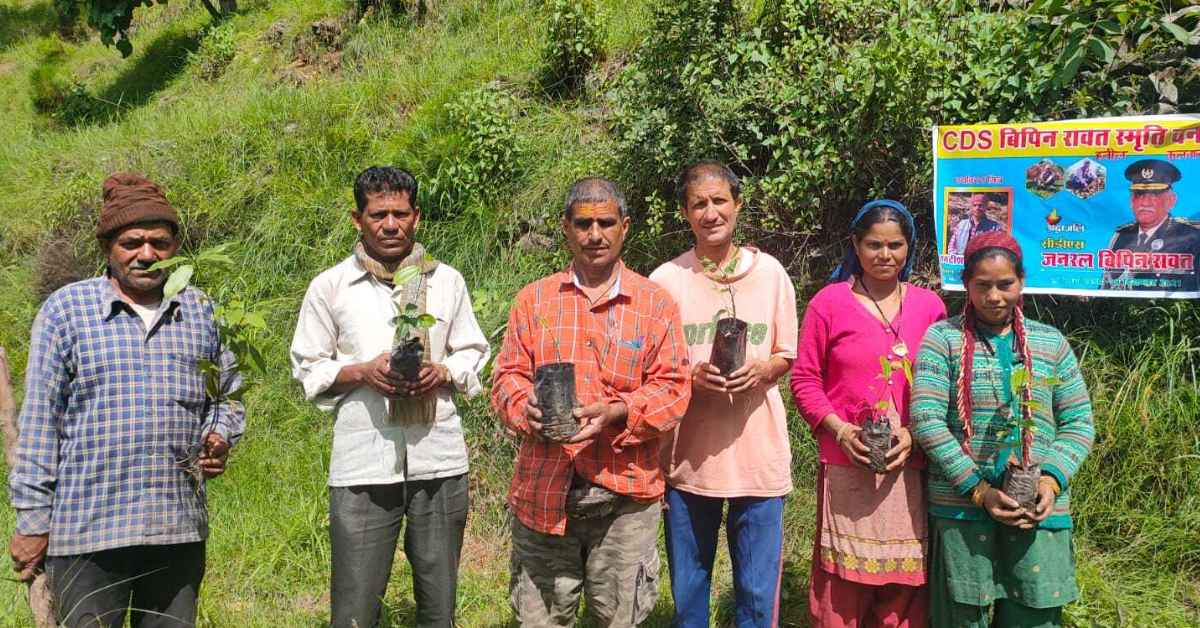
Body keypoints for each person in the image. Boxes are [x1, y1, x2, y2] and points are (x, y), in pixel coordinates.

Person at [8, 172, 245, 628]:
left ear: (176, 246)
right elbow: (40, 424)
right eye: (132, 242)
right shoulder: (66, 311)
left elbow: (227, 396)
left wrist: (218, 434)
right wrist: (33, 520)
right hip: (87, 531)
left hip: (176, 526)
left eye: (160, 241)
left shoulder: (201, 310)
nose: (147, 254)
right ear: (107, 248)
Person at [290, 166, 490, 628]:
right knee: (356, 607)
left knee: (439, 603)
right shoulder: (332, 287)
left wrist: (443, 371)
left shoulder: (446, 282)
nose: (391, 225)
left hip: (437, 458)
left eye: (400, 213)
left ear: (416, 216)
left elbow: (473, 352)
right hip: (363, 463)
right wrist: (361, 371)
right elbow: (308, 365)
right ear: (356, 219)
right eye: (378, 214)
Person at [491, 176, 691, 627]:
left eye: (605, 222)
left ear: (625, 226)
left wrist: (618, 412)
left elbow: (675, 388)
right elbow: (506, 378)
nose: (594, 235)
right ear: (566, 228)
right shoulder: (534, 300)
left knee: (619, 620)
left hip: (625, 498)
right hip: (544, 493)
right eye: (583, 224)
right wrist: (527, 409)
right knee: (540, 620)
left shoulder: (654, 304)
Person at [912, 231, 1094, 627]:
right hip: (961, 507)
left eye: (1005, 284)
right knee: (961, 614)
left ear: (1022, 282)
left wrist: (1049, 482)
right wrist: (979, 491)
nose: (994, 296)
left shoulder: (1050, 344)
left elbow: (1079, 422)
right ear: (966, 285)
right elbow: (926, 419)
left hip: (1039, 512)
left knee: (1034, 610)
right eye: (982, 286)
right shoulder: (942, 339)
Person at [648, 161, 797, 628]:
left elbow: (786, 355)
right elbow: (652, 371)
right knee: (690, 588)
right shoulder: (666, 280)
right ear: (685, 214)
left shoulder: (770, 273)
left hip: (759, 460)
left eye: (718, 201)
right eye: (698, 204)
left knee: (756, 592)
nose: (710, 212)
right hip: (688, 461)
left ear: (737, 204)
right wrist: (689, 377)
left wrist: (762, 370)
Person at [791, 200, 947, 627]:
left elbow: (942, 384)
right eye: (874, 244)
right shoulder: (829, 304)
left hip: (908, 464)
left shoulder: (929, 308)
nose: (885, 255)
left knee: (905, 584)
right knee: (842, 582)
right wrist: (840, 431)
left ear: (909, 248)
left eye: (895, 245)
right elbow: (805, 379)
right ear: (855, 246)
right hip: (846, 461)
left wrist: (915, 435)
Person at [1102, 159, 1200, 292]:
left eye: (1155, 195)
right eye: (1139, 194)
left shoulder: (1191, 237)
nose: (1145, 203)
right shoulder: (1120, 237)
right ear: (1131, 201)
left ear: (1171, 201)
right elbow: (1106, 284)